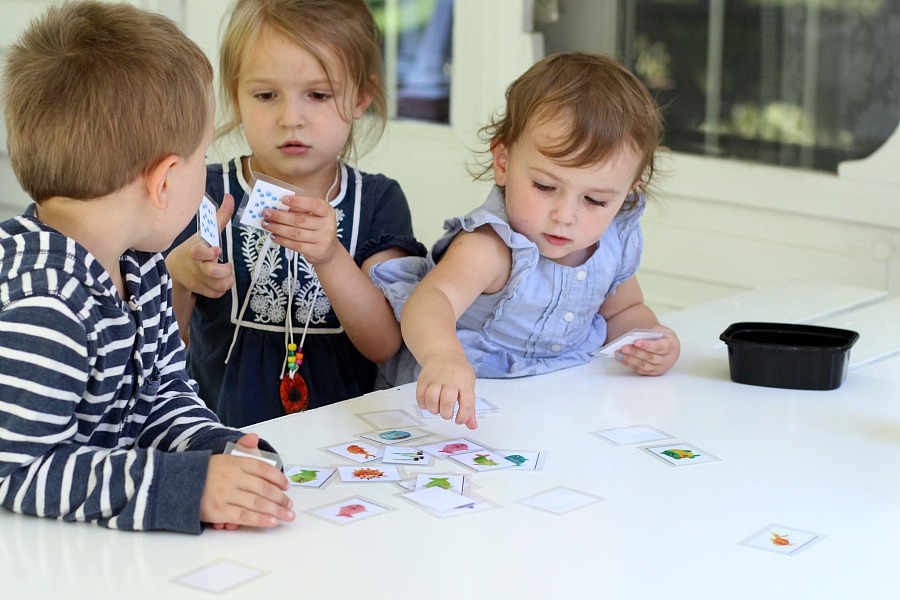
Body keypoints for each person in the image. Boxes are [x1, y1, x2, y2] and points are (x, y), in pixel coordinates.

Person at [0, 1, 295, 533]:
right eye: (203, 155)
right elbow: (13, 471)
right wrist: (182, 486)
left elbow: (160, 398)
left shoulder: (141, 268)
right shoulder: (46, 308)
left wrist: (217, 451)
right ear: (164, 183)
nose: (207, 171)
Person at [371, 52, 681, 430]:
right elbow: (430, 301)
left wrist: (649, 341)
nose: (565, 216)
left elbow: (624, 310)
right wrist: (442, 355)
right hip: (452, 407)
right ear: (503, 163)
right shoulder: (491, 246)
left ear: (627, 193)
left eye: (596, 200)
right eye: (545, 186)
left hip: (548, 402)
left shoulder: (611, 244)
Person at [166, 0, 425, 427]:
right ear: (236, 96)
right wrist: (180, 280)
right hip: (223, 438)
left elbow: (384, 344)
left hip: (347, 440)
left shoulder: (379, 200)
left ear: (361, 97)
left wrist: (330, 257)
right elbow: (165, 344)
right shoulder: (202, 191)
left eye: (318, 95)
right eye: (266, 95)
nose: (291, 118)